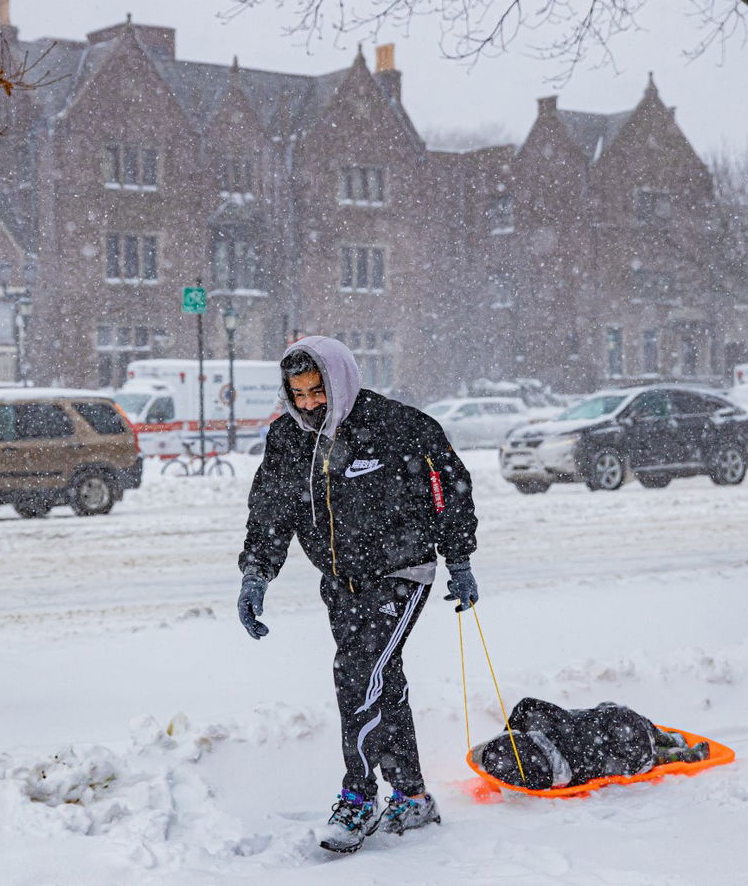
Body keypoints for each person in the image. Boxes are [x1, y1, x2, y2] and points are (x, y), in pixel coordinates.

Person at [236, 336, 479, 854]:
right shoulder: (288, 439)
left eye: (316, 391)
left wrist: (458, 561)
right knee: (380, 679)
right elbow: (271, 509)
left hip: (402, 572)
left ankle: (360, 794)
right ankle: (412, 796)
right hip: (340, 582)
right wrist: (257, 573)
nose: (307, 403)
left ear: (339, 380)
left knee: (357, 672)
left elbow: (451, 488)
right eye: (297, 393)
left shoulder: (400, 427)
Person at [472, 697, 710, 790]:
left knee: (636, 751)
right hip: (613, 727)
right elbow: (528, 705)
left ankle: (671, 749)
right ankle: (670, 744)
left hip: (616, 745)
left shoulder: (560, 772)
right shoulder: (540, 724)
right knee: (620, 723)